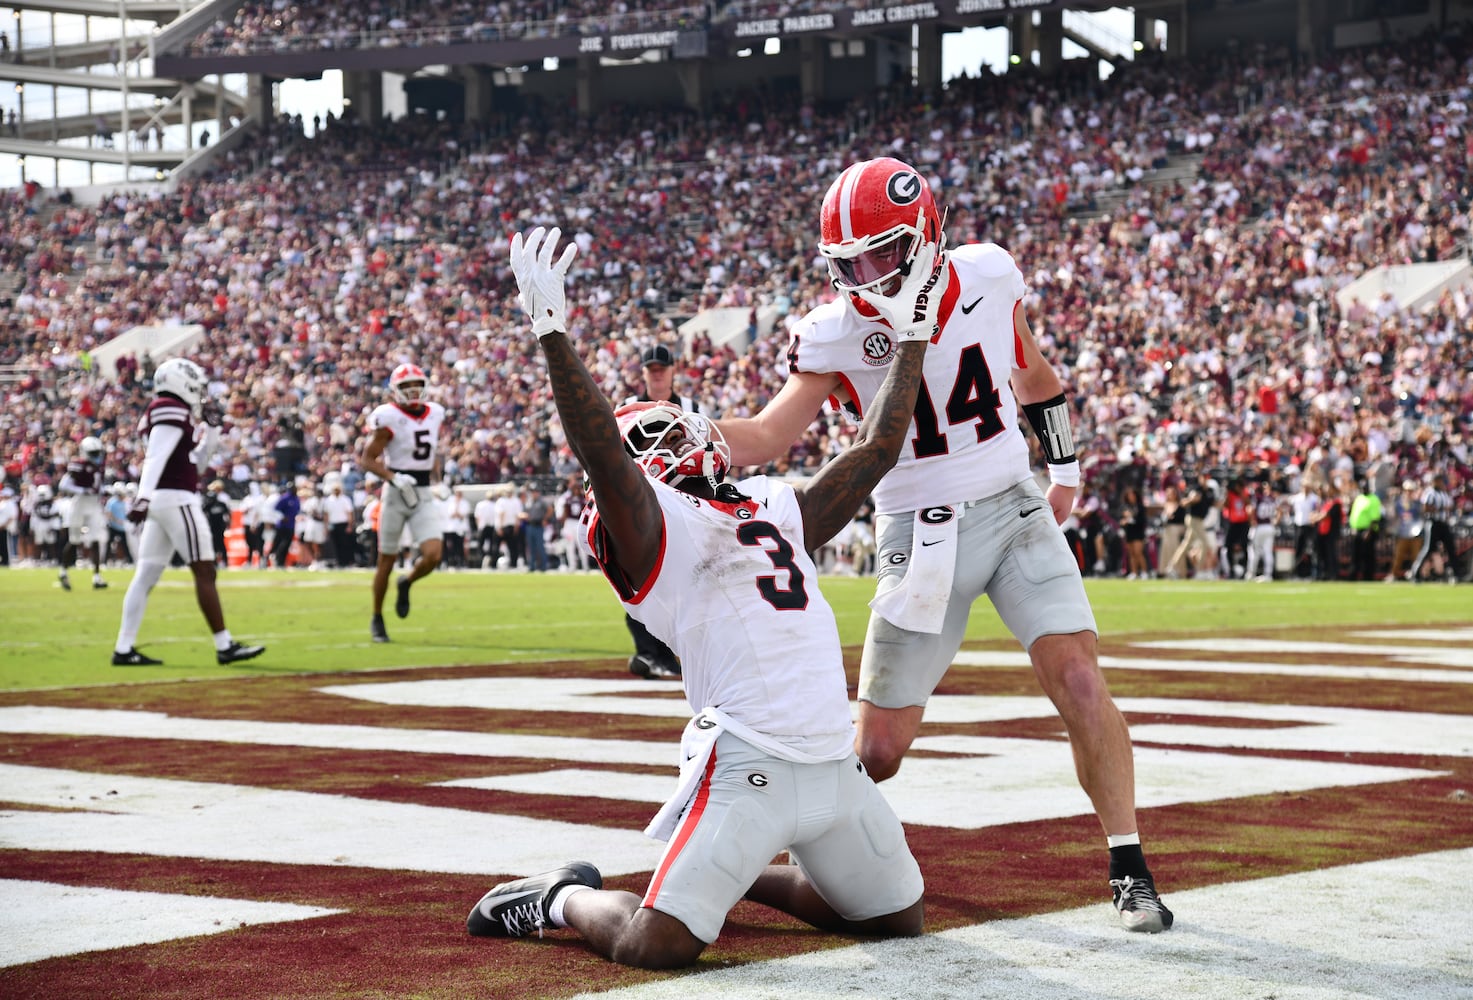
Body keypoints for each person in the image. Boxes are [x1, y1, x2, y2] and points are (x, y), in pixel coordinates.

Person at [712, 158, 1172, 932]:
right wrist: (666, 436)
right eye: (849, 261)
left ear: (924, 231)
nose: (866, 273)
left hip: (1013, 506)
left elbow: (1029, 372)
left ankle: (1130, 868)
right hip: (918, 531)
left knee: (1080, 680)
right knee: (881, 750)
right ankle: (784, 858)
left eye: (882, 252)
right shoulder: (835, 328)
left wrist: (1062, 465)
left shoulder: (988, 273)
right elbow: (768, 434)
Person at [466, 226, 931, 968]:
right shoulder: (649, 522)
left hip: (830, 762)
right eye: (650, 433)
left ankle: (730, 872)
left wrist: (910, 333)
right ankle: (557, 897)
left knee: (892, 920)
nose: (673, 434)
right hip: (747, 760)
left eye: (675, 424)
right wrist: (552, 333)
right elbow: (604, 460)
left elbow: (873, 452)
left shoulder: (766, 503)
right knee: (656, 946)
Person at [111, 358, 265, 667]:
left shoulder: (172, 411)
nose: (200, 393)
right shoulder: (169, 407)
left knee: (146, 575)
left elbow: (198, 466)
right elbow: (155, 457)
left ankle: (124, 649)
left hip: (166, 497)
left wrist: (212, 431)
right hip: (175, 499)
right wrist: (142, 496)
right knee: (205, 570)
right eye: (196, 386)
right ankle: (224, 645)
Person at [618, 344, 703, 679]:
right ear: (644, 373)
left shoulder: (694, 408)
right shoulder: (628, 408)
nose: (657, 374)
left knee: (683, 582)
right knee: (640, 580)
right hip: (644, 502)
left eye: (661, 369)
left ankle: (669, 654)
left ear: (672, 371)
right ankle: (651, 653)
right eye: (651, 369)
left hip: (682, 500)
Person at [359, 362, 445, 642]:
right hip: (396, 492)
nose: (412, 391)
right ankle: (377, 617)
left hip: (421, 492)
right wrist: (393, 477)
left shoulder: (435, 413)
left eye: (416, 385)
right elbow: (367, 459)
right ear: (395, 390)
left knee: (433, 555)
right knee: (386, 558)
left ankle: (406, 582)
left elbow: (430, 451)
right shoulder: (388, 416)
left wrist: (438, 479)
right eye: (406, 386)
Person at [57, 435, 110, 590]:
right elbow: (64, 484)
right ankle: (63, 571)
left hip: (93, 504)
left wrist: (105, 490)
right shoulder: (78, 464)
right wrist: (83, 490)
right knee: (74, 540)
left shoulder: (100, 466)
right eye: (93, 453)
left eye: (97, 452)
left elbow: (98, 485)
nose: (97, 456)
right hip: (79, 503)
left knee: (95, 539)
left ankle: (97, 577)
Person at [1347, 479, 1382, 581]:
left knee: (1368, 555)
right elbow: (1354, 514)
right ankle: (1354, 574)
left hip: (1368, 531)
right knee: (1355, 554)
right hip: (1357, 529)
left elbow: (1375, 518)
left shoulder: (1374, 499)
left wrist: (1369, 531)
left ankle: (1368, 576)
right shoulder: (1359, 498)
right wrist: (1353, 527)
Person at [473, 488, 497, 569]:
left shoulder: (481, 504)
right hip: (490, 527)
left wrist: (478, 526)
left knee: (481, 545)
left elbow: (477, 517)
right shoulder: (494, 505)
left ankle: (483, 560)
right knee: (490, 546)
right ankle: (488, 560)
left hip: (484, 527)